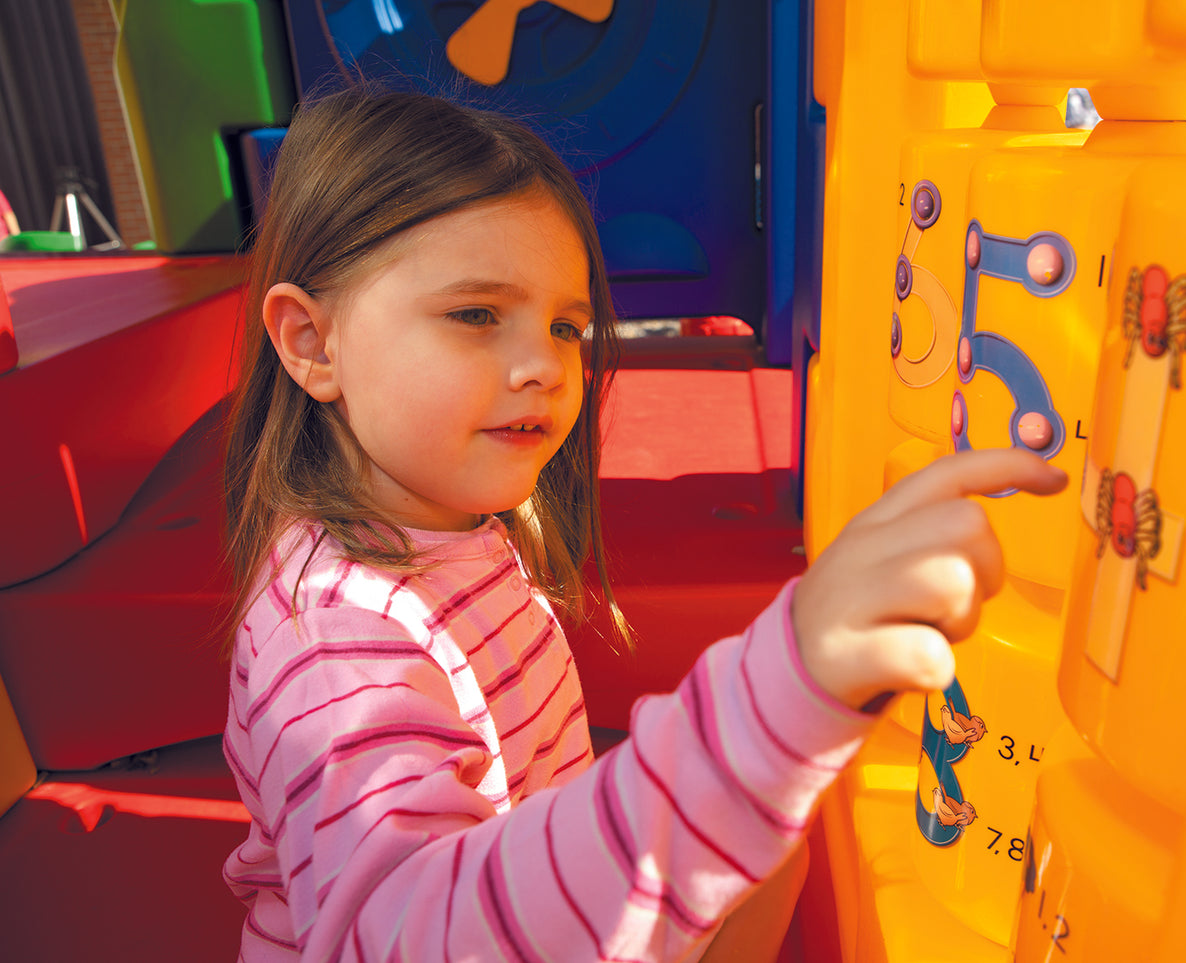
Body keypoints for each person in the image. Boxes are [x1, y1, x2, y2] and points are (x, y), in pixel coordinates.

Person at [220, 86, 1067, 963]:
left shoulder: (453, 529)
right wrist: (754, 716)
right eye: (476, 314)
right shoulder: (335, 639)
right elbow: (391, 935)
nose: (543, 365)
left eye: (566, 326)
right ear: (312, 343)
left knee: (768, 854)